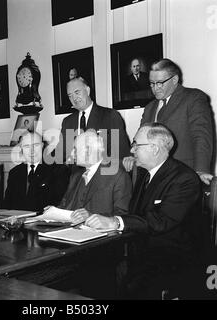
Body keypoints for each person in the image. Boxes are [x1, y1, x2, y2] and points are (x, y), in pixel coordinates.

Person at [86, 123, 203, 299]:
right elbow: (135, 214)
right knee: (95, 270)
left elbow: (161, 221)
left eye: (136, 145)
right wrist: (105, 219)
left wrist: (116, 222)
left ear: (154, 148)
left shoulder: (184, 178)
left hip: (171, 261)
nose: (132, 151)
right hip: (141, 253)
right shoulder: (145, 174)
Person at [123, 58, 213, 185]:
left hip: (183, 175)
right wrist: (133, 156)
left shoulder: (193, 98)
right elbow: (140, 138)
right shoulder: (149, 107)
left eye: (160, 83)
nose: (155, 88)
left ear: (174, 80)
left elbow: (201, 137)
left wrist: (200, 171)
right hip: (152, 178)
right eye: (152, 83)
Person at [57, 130, 132, 223]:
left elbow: (123, 215)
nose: (72, 154)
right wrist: (53, 212)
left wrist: (91, 216)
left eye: (75, 149)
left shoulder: (118, 176)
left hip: (100, 235)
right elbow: (64, 205)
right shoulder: (75, 176)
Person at [55, 77, 130, 163]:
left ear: (88, 90)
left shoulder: (110, 116)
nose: (74, 98)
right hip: (75, 175)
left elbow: (122, 153)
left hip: (103, 172)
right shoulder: (67, 122)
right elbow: (60, 154)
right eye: (70, 96)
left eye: (77, 92)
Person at [3, 131, 70, 211]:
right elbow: (7, 205)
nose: (32, 151)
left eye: (36, 145)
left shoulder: (58, 170)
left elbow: (59, 203)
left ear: (42, 146)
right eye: (27, 146)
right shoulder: (14, 173)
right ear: (21, 149)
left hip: (44, 221)